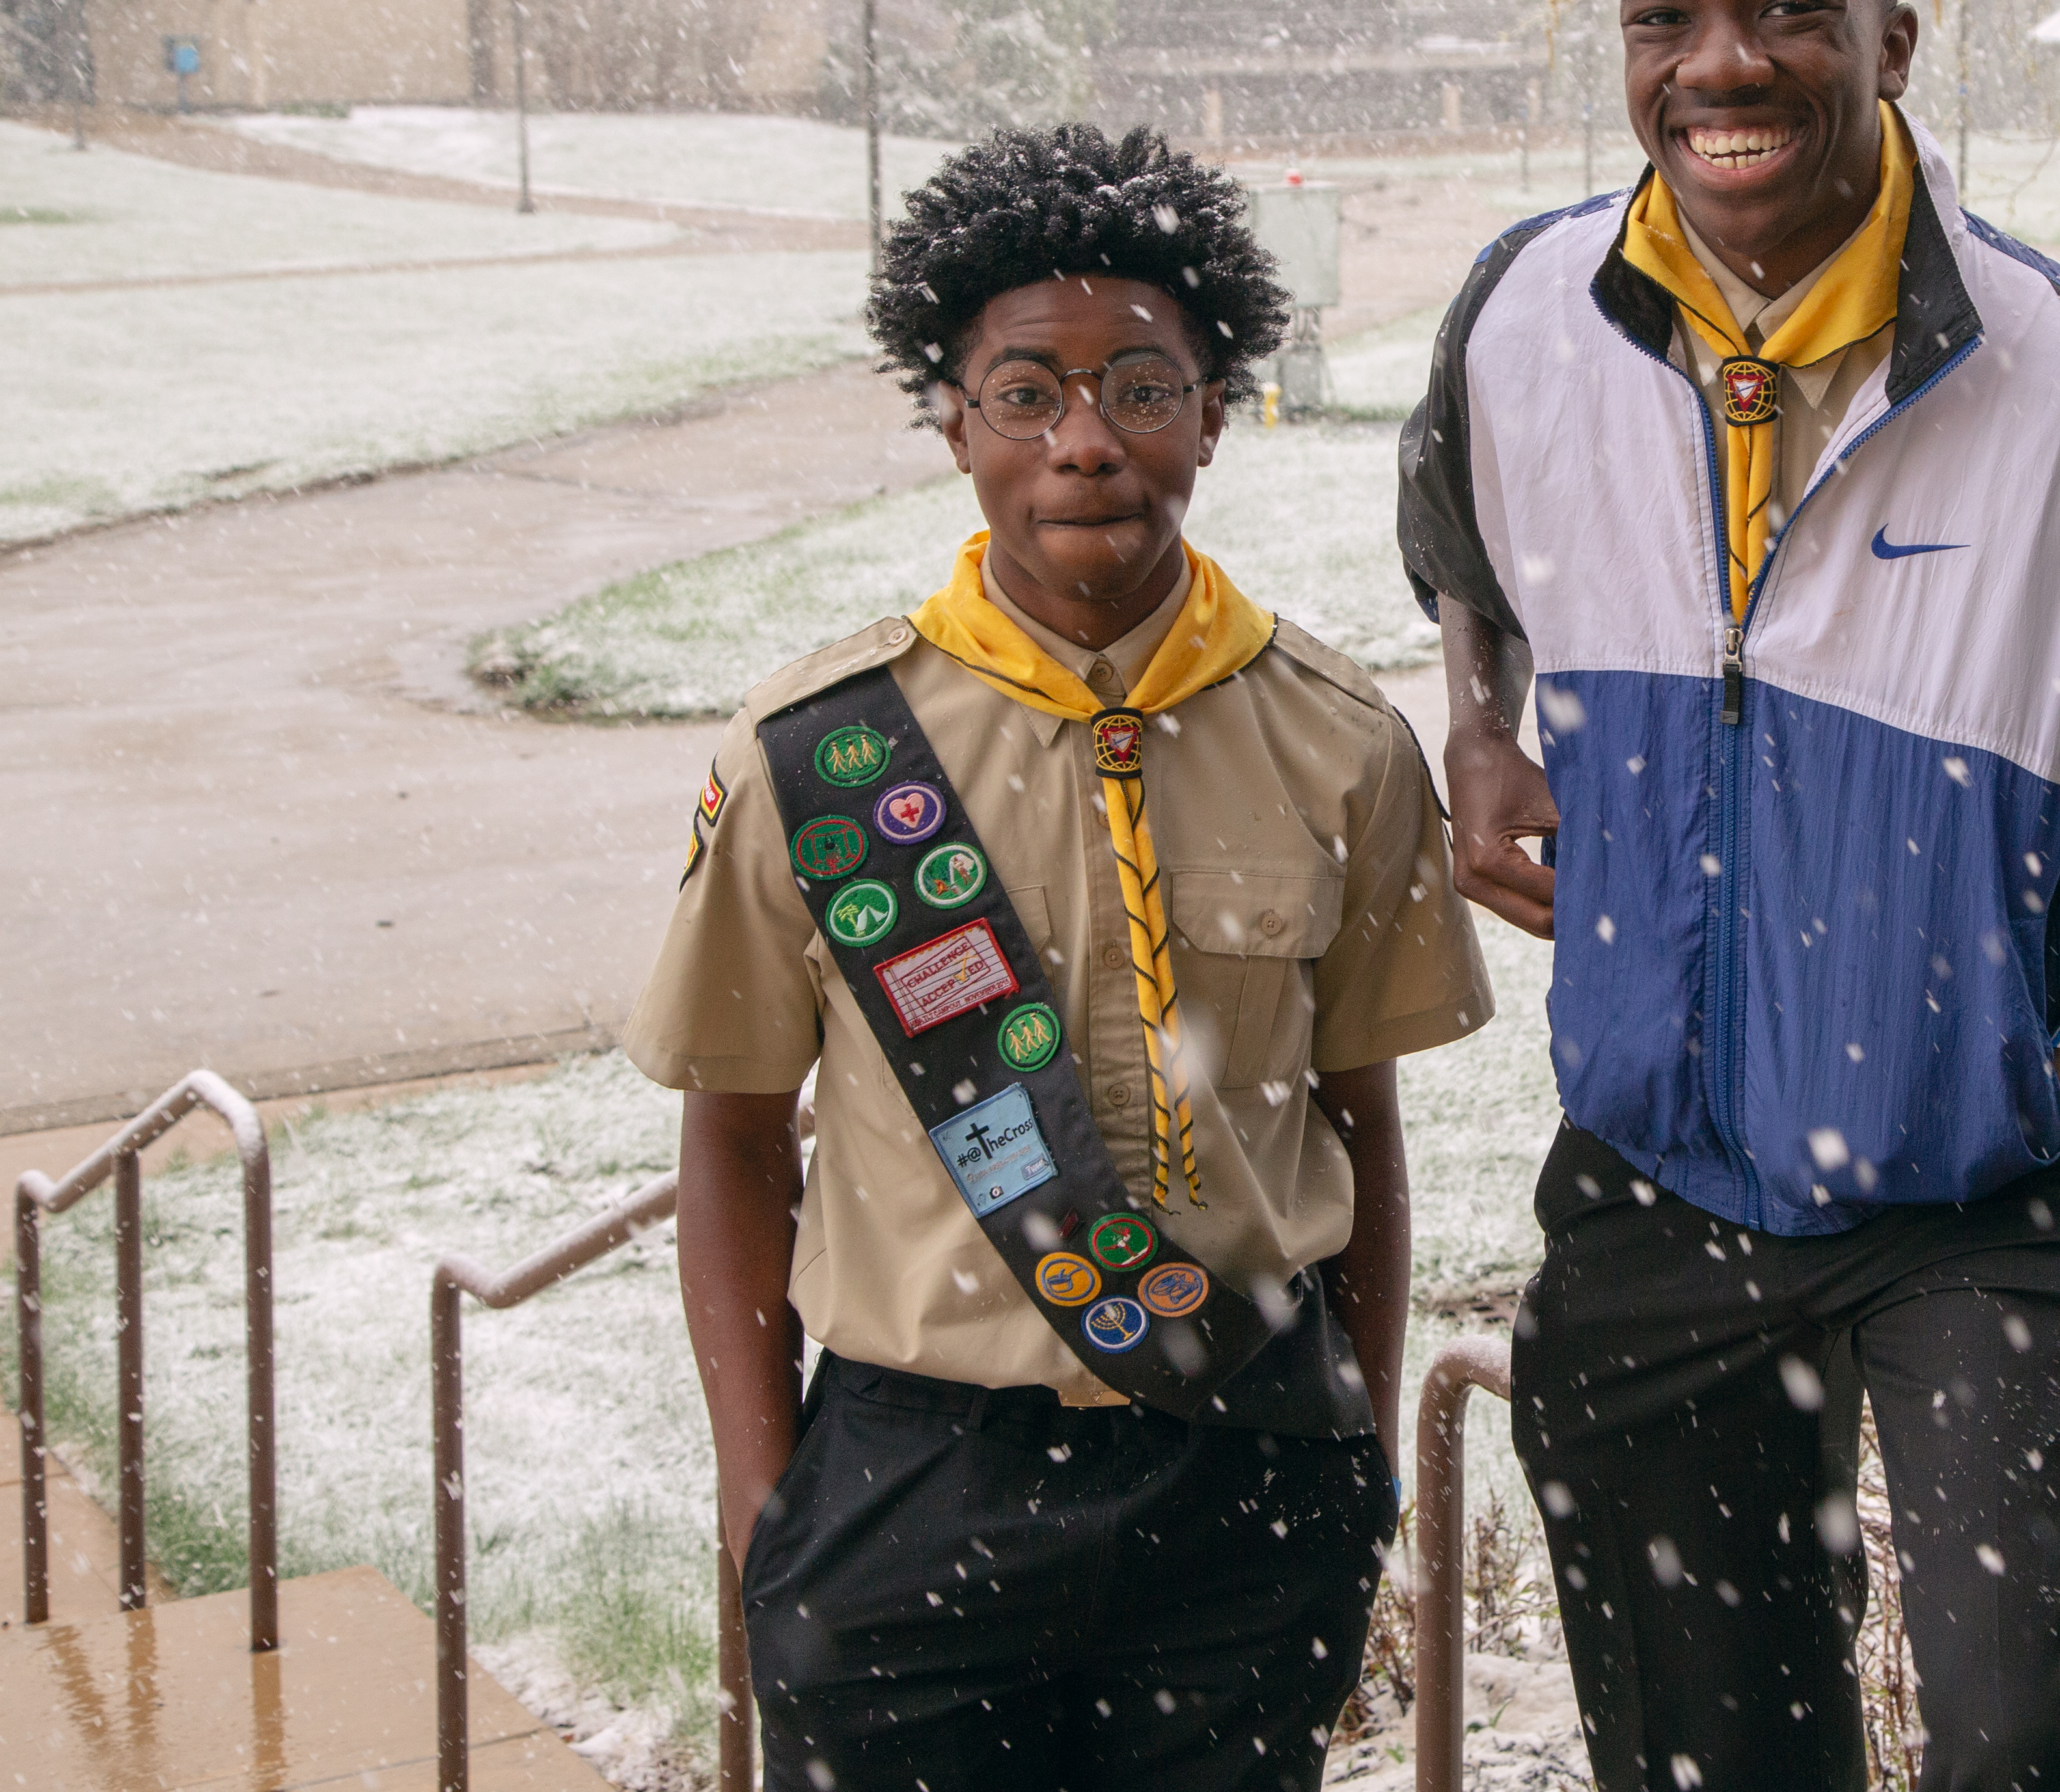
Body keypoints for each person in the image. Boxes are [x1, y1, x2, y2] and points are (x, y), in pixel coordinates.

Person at [1398, 0, 2060, 1792]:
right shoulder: (1521, 312)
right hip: (1660, 1190)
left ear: (1898, 42)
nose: (1720, 65)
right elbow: (1455, 548)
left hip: (1990, 1200)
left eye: (1790, 10)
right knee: (1706, 1763)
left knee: (2014, 1750)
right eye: (1662, 18)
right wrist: (1481, 716)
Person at [636, 125, 1492, 1791]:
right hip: (910, 1483)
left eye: (1142, 389)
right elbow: (735, 1141)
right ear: (952, 420)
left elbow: (1357, 1127)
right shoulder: (813, 763)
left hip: (1244, 1464)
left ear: (1217, 413)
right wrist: (768, 1506)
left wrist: (1359, 1441)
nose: (1085, 442)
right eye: (1025, 392)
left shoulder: (1342, 745)